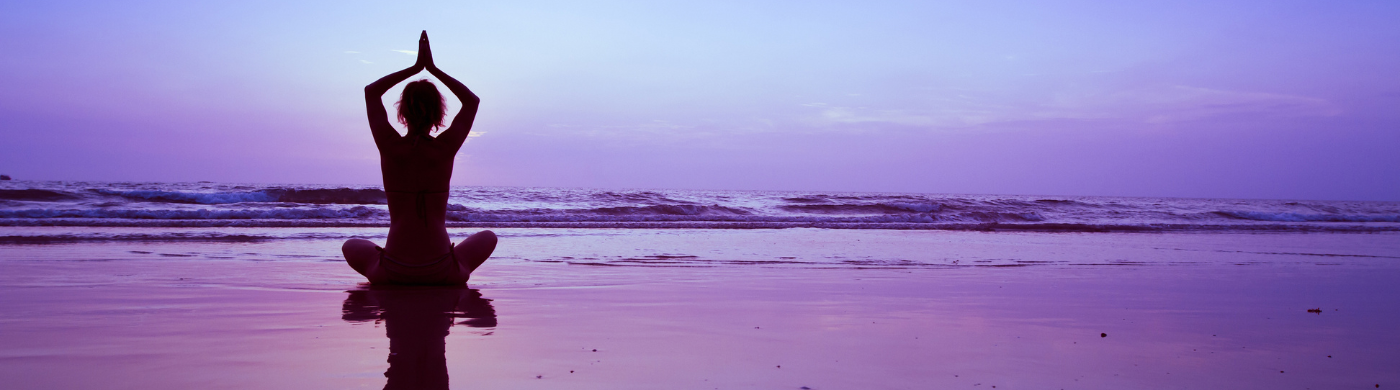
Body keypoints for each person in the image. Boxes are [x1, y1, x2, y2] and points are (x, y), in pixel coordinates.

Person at [342, 31, 496, 285]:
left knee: (351, 245)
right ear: (438, 113)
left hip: (392, 272)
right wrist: (432, 69)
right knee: (488, 236)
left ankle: (389, 262)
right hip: (443, 272)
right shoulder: (444, 148)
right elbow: (471, 101)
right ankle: (450, 264)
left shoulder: (390, 146)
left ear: (402, 113)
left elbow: (371, 92)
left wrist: (414, 68)